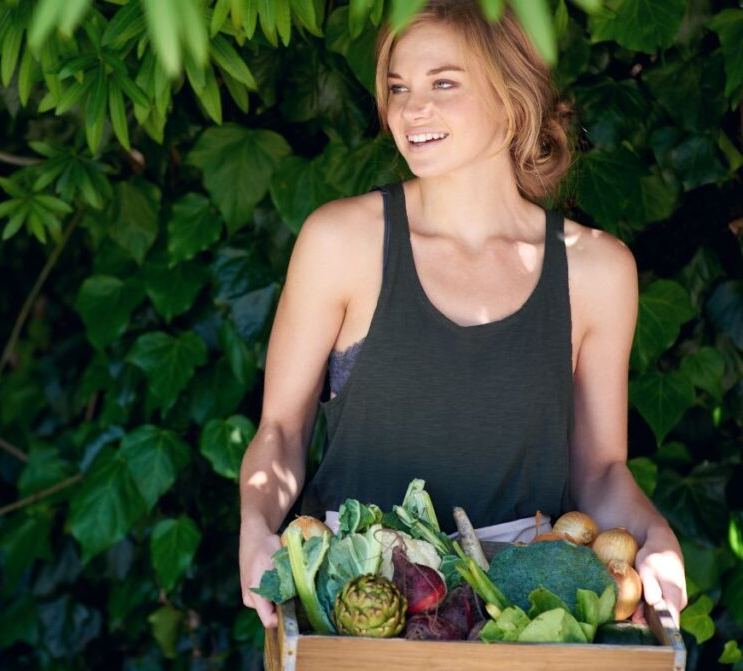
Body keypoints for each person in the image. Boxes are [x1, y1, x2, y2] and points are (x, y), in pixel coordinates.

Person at [238, 0, 687, 635]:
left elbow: (602, 471)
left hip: (525, 624)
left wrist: (655, 535)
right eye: (398, 87)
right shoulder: (342, 242)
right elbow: (280, 431)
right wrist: (255, 528)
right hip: (353, 618)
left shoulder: (598, 271)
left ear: (514, 93)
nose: (409, 109)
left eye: (443, 83)